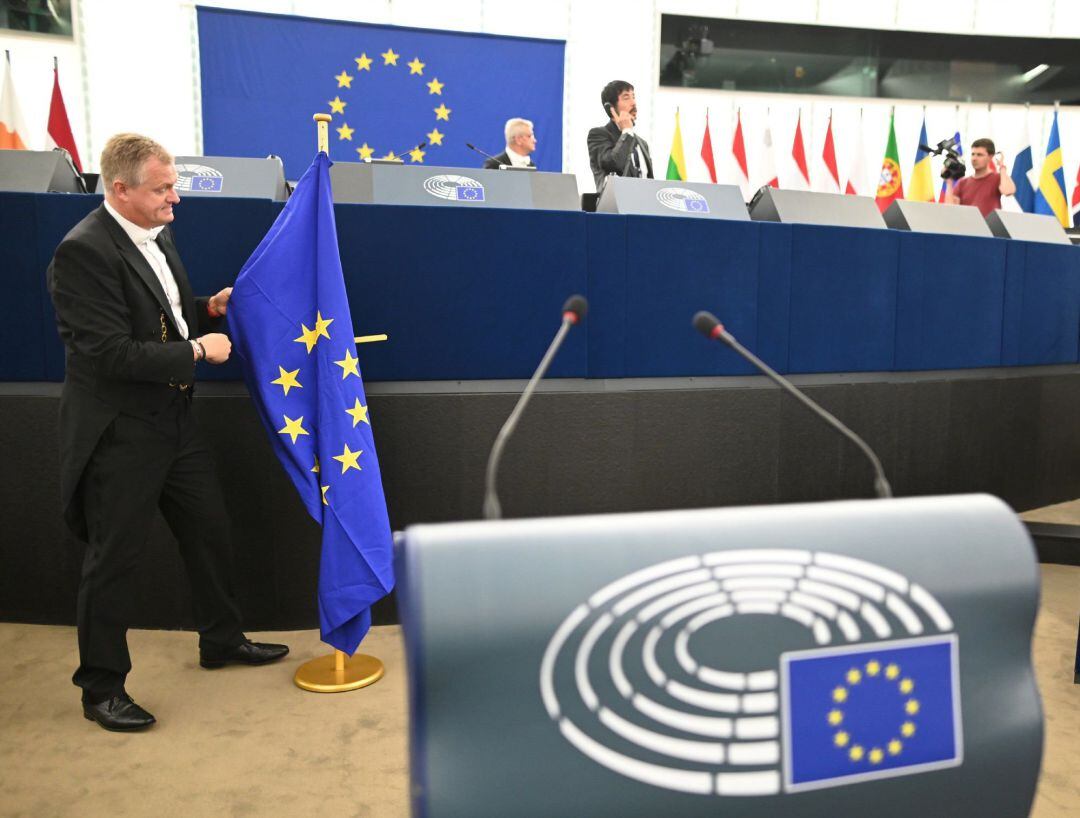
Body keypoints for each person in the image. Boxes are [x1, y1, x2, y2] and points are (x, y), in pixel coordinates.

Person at [46, 133, 288, 732]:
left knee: (209, 531)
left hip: (174, 422)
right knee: (114, 562)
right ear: (120, 189)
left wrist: (206, 307)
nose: (175, 198)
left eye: (174, 184)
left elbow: (163, 310)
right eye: (163, 188)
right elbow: (109, 355)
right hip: (119, 432)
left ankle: (221, 641)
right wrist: (198, 351)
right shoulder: (81, 253)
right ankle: (101, 688)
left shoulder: (158, 232)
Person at [587, 80, 654, 189]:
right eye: (626, 98)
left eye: (634, 97)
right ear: (610, 108)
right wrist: (626, 130)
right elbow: (613, 164)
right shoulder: (598, 134)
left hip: (644, 204)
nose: (633, 103)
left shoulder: (642, 144)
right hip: (615, 204)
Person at [945, 138, 1016, 217]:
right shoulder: (962, 182)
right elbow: (950, 210)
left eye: (979, 155)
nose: (974, 158)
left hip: (989, 227)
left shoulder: (997, 178)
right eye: (973, 154)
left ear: (990, 157)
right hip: (967, 226)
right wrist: (949, 180)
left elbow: (1008, 191)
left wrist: (1002, 167)